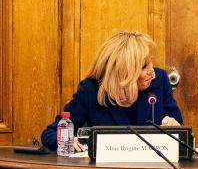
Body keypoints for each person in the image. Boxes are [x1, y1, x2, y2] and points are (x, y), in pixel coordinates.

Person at [42, 31, 182, 151]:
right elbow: (51, 133)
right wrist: (65, 141)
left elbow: (181, 132)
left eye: (150, 62)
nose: (152, 71)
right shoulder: (90, 90)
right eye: (144, 67)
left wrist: (174, 126)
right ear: (123, 72)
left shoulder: (160, 80)